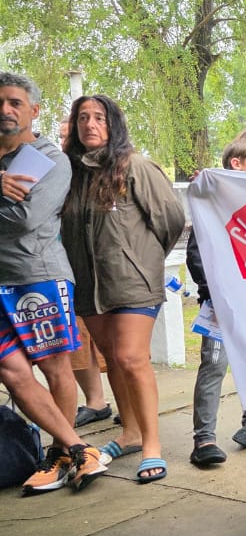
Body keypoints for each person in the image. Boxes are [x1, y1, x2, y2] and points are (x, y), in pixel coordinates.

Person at [62, 94, 185, 483]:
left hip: (133, 282)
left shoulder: (135, 167)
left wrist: (141, 258)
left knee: (132, 358)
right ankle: (130, 432)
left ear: (114, 124)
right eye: (83, 117)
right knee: (113, 359)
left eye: (99, 117)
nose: (90, 124)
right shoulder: (69, 174)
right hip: (89, 287)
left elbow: (171, 219)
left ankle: (152, 446)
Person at [0, 72, 108, 493]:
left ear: (34, 110)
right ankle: (77, 449)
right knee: (10, 370)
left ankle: (61, 455)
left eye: (14, 102)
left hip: (36, 277)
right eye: (0, 102)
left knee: (55, 366)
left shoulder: (44, 157)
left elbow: (22, 220)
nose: (5, 110)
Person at [187, 134, 246, 466]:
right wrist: (217, 292)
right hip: (221, 304)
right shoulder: (209, 202)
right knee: (214, 364)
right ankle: (204, 438)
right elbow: (197, 255)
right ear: (236, 165)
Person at [59, 117, 113, 428]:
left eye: (70, 137)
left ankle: (131, 406)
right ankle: (95, 401)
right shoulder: (58, 173)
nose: (65, 143)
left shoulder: (108, 172)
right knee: (77, 338)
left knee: (116, 342)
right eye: (62, 137)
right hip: (66, 267)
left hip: (103, 269)